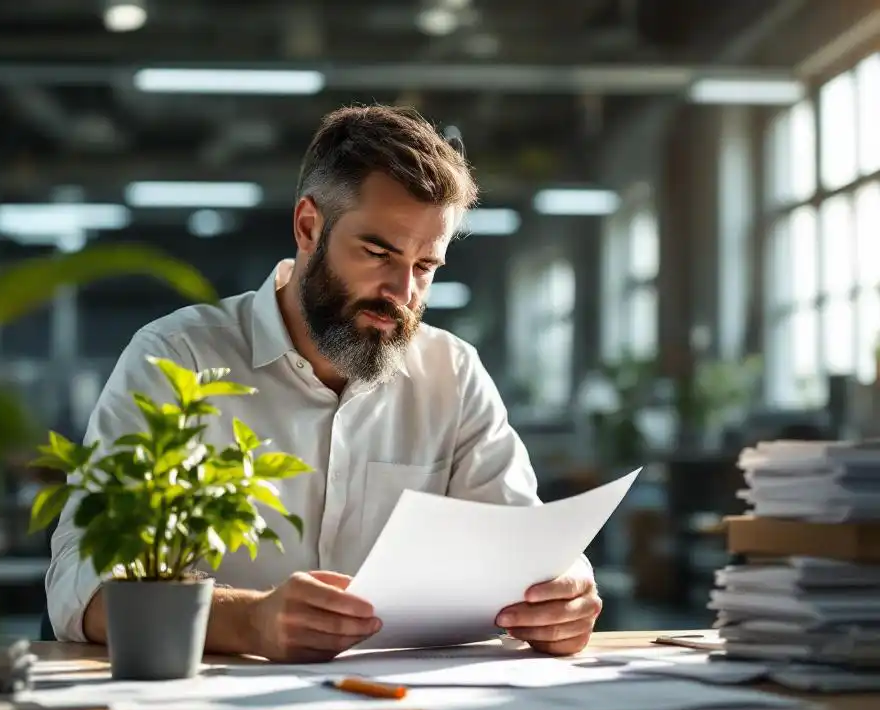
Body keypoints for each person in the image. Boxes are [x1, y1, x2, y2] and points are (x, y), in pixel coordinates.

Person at [45, 105, 602, 662]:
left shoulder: (453, 374)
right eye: (378, 252)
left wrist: (561, 591)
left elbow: (521, 545)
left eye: (426, 266)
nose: (403, 291)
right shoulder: (179, 358)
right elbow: (80, 584)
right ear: (309, 226)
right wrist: (250, 622)